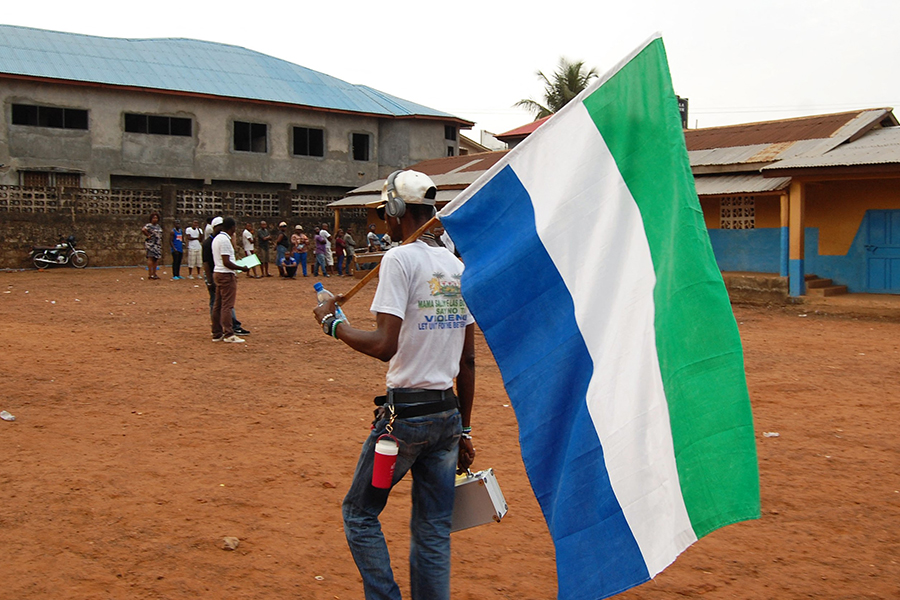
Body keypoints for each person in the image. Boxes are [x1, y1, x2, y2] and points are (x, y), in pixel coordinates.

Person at [312, 170, 475, 600]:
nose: (383, 220)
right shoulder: (456, 267)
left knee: (360, 513)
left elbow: (385, 344)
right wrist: (465, 429)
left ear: (398, 210)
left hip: (405, 421)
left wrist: (333, 325)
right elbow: (468, 360)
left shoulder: (399, 260)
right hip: (446, 416)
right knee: (434, 529)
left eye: (385, 212)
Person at [202, 217, 250, 340]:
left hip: (218, 273)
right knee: (227, 305)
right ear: (233, 227)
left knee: (218, 305)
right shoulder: (224, 240)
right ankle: (229, 333)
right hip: (226, 274)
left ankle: (217, 333)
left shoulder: (217, 239)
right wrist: (241, 267)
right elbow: (226, 262)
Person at [142, 212, 163, 280]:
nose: (155, 219)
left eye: (156, 218)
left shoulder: (158, 226)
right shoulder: (149, 225)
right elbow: (143, 230)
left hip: (157, 244)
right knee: (150, 258)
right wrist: (148, 236)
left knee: (156, 259)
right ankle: (150, 274)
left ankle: (154, 273)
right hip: (151, 244)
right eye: (154, 218)